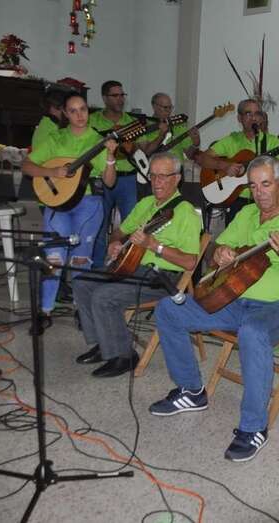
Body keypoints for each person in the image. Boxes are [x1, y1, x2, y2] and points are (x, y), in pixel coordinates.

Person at [149, 155, 279, 463]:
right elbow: (216, 249)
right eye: (253, 186)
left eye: (266, 184)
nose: (259, 192)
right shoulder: (245, 213)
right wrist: (220, 254)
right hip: (232, 296)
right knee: (168, 309)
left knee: (252, 332)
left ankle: (253, 428)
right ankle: (191, 390)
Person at [72, 152, 202, 378]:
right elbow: (119, 232)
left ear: (177, 179)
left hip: (162, 277)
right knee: (82, 282)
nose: (157, 182)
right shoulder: (146, 203)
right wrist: (114, 244)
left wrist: (155, 245)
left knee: (104, 295)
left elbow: (190, 261)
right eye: (153, 176)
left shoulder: (186, 213)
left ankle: (124, 356)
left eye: (164, 176)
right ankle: (103, 344)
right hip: (130, 267)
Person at [22, 93, 118, 331]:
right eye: (73, 110)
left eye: (83, 109)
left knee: (81, 259)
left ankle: (80, 309)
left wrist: (110, 157)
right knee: (54, 258)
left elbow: (109, 182)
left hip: (88, 205)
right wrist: (53, 173)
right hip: (57, 204)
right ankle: (45, 311)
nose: (79, 115)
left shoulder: (97, 140)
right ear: (65, 113)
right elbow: (26, 165)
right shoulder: (57, 138)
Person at [194, 99, 279, 225]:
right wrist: (225, 166)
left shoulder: (272, 141)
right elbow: (203, 158)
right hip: (238, 201)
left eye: (257, 114)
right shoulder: (232, 140)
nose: (253, 118)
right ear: (239, 118)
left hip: (265, 200)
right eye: (248, 113)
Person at [89, 81, 141, 269]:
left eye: (122, 95)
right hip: (101, 177)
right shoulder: (92, 120)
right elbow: (88, 147)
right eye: (115, 95)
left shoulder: (131, 121)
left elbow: (139, 148)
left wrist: (131, 146)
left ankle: (124, 266)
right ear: (104, 98)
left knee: (131, 224)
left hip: (127, 178)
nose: (120, 99)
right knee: (99, 225)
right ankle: (97, 269)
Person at [139, 92, 200, 160]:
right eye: (165, 107)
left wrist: (195, 143)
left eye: (170, 107)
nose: (168, 111)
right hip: (155, 168)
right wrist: (161, 136)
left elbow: (190, 155)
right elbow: (147, 152)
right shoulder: (144, 126)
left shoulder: (178, 126)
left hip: (177, 168)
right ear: (154, 106)